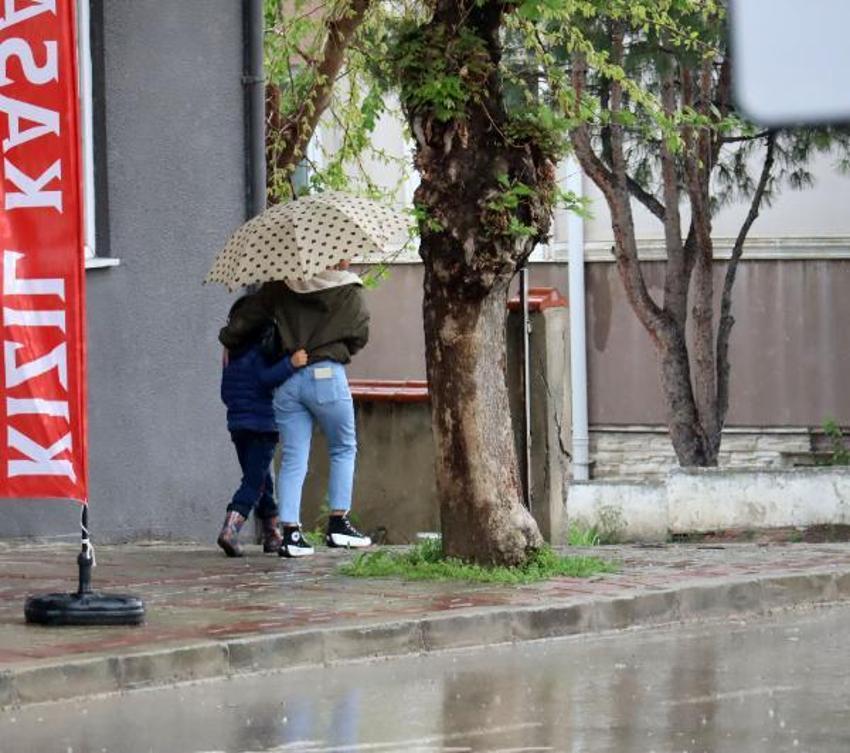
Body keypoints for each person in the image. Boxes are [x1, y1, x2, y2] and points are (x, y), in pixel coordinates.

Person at [219, 261, 371, 557]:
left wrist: (228, 338)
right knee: (342, 447)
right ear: (335, 255)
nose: (348, 260)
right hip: (326, 373)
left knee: (292, 457)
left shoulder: (281, 286)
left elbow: (247, 319)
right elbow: (360, 333)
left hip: (288, 379)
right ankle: (338, 525)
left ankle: (290, 534)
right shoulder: (347, 289)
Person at [218, 294, 308, 557]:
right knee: (254, 482)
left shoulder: (232, 353)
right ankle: (230, 529)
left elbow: (225, 393)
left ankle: (272, 534)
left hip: (237, 424)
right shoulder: (261, 348)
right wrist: (290, 364)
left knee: (262, 480)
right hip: (262, 424)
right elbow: (265, 379)